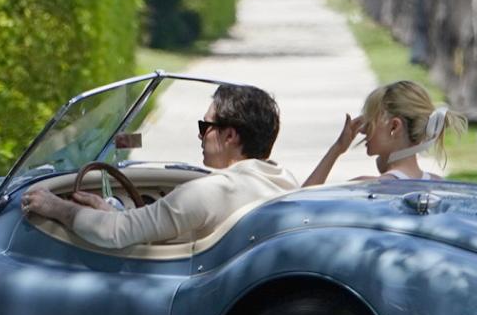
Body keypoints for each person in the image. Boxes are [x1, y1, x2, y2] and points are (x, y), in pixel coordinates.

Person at [21, 84, 296, 249]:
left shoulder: (210, 192)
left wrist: (56, 207)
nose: (200, 135)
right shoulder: (284, 181)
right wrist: (112, 212)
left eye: (205, 127)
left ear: (230, 136)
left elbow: (114, 233)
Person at [303, 80, 467, 186]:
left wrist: (337, 149)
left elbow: (298, 208)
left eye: (370, 122)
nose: (362, 130)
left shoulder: (365, 189)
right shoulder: (440, 187)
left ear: (394, 127)